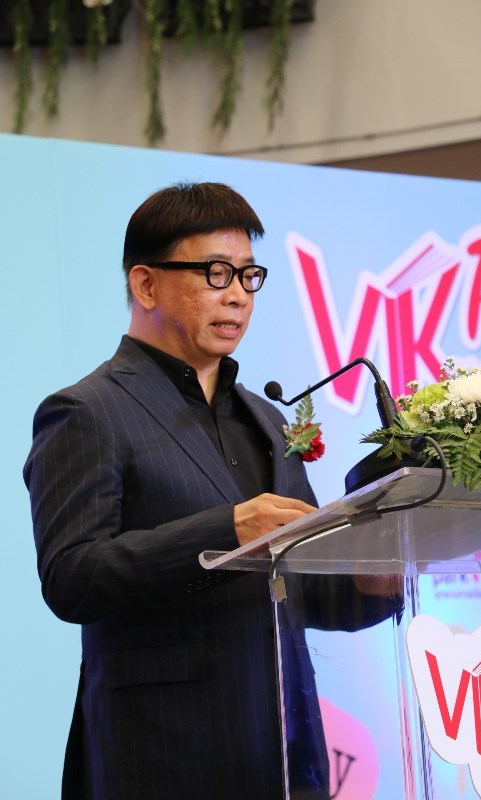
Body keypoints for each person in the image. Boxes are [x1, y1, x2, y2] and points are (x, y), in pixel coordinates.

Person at [24, 182, 399, 800]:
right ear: (146, 285)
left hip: (289, 761)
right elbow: (72, 576)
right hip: (163, 757)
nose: (238, 295)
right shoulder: (87, 412)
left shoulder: (270, 421)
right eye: (215, 273)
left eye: (249, 276)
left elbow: (300, 593)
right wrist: (227, 531)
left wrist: (371, 581)